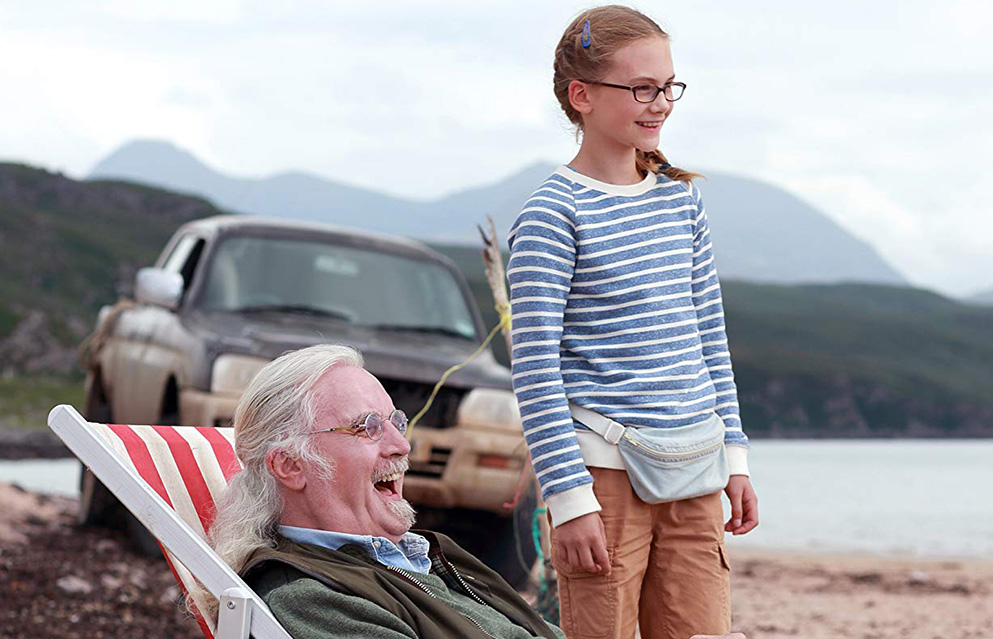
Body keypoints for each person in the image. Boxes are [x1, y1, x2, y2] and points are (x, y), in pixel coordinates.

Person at [506, 6, 760, 639]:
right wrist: (568, 501)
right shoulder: (551, 215)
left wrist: (736, 458)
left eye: (669, 86)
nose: (660, 103)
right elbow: (535, 373)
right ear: (582, 95)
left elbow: (708, 340)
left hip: (697, 469)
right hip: (604, 478)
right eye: (641, 87)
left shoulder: (682, 198)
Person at [206, 344, 565, 638]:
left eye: (396, 422)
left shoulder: (426, 555)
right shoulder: (310, 598)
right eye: (367, 427)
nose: (402, 446)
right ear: (290, 465)